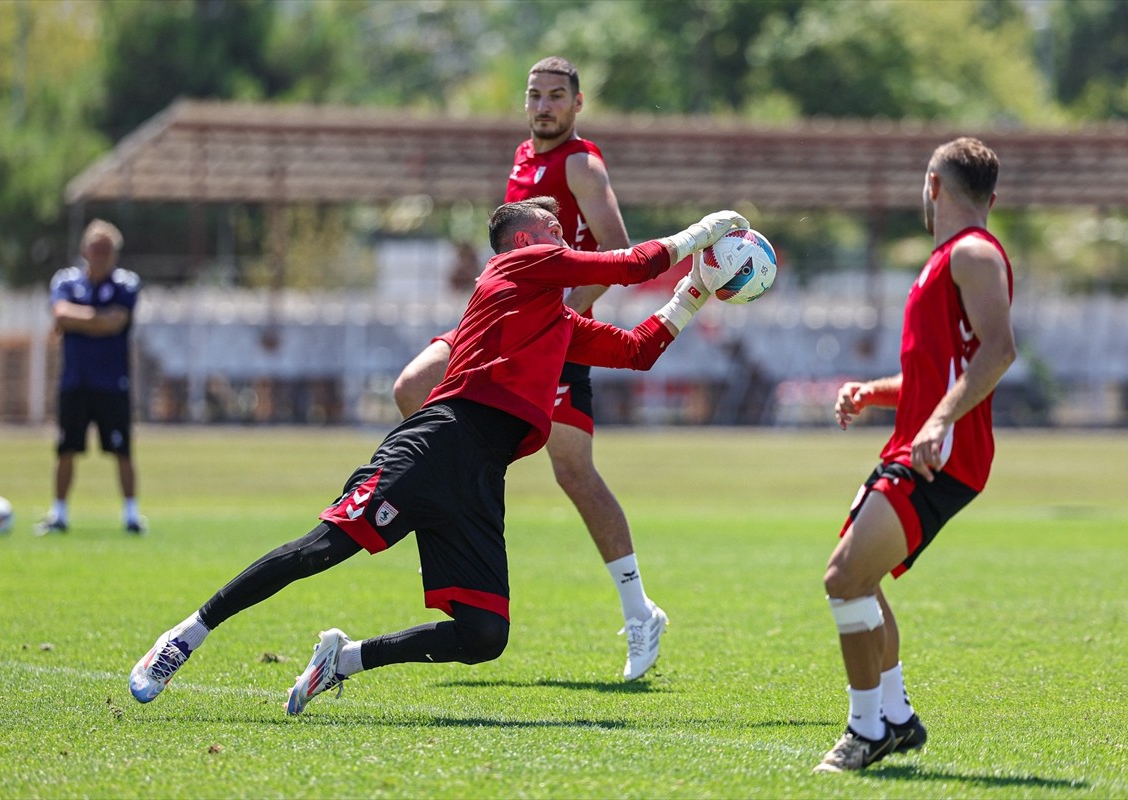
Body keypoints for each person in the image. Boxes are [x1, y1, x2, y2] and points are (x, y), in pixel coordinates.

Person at [129, 197, 748, 714]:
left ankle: (345, 660)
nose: (563, 233)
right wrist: (705, 231)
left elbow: (637, 351)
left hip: (482, 471)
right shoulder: (517, 268)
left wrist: (694, 291)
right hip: (438, 441)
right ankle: (185, 636)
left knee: (484, 635)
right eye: (551, 226)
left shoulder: (552, 316)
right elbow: (632, 264)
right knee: (321, 549)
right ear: (522, 239)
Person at [393, 56, 665, 682]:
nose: (544, 106)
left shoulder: (581, 163)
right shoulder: (522, 159)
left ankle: (639, 611)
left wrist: (554, 327)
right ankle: (462, 494)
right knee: (411, 386)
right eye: (535, 95)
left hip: (547, 338)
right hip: (504, 332)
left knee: (574, 473)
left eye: (556, 96)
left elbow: (617, 251)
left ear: (577, 104)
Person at [814, 137, 1016, 772]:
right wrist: (875, 393)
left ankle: (865, 728)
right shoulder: (944, 261)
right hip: (916, 442)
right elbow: (941, 374)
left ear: (933, 186)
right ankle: (896, 718)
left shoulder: (975, 253)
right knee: (860, 581)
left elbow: (1000, 350)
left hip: (940, 454)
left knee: (844, 579)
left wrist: (938, 421)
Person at [36, 219, 145, 536]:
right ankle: (59, 514)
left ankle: (132, 515)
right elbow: (60, 314)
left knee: (122, 451)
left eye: (106, 249)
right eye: (95, 248)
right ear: (84, 250)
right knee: (66, 449)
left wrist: (78, 318)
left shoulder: (125, 284)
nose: (100, 255)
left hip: (112, 383)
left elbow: (115, 322)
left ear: (115, 254)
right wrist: (96, 318)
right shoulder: (66, 281)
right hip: (75, 381)